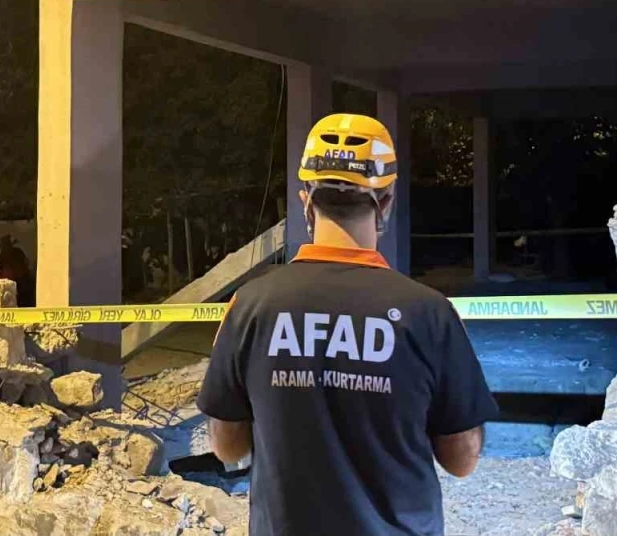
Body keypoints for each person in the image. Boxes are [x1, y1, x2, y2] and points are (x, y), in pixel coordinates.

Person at [197, 113, 499, 536]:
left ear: (305, 199)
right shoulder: (429, 312)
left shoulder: (248, 306)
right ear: (386, 201)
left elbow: (227, 448)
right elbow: (461, 460)